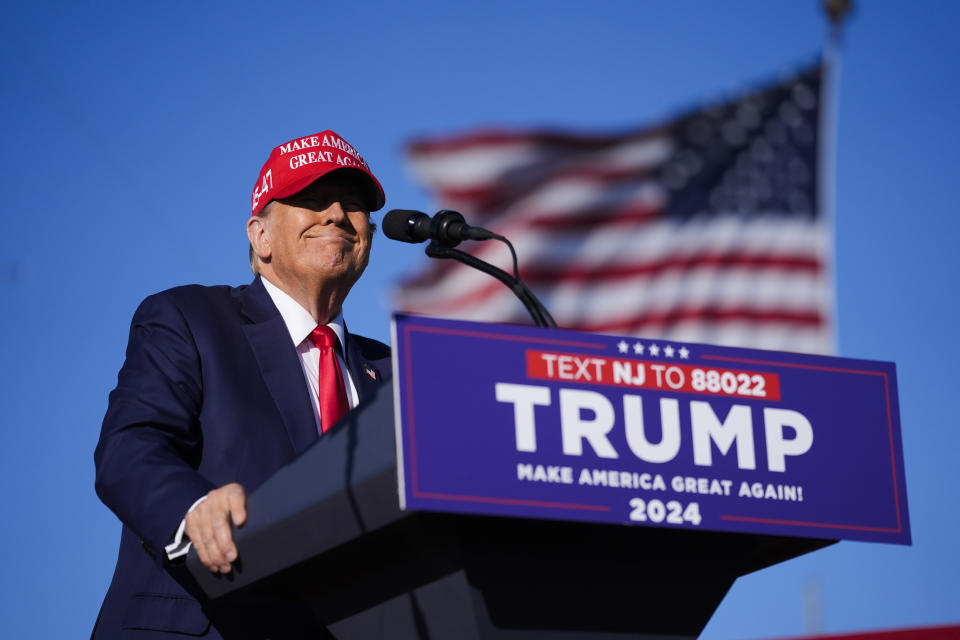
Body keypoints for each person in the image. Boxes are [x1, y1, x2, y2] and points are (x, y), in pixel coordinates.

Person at [92, 130, 391, 638]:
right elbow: (130, 446)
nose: (338, 215)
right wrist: (192, 509)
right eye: (313, 200)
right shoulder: (190, 319)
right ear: (261, 236)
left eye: (355, 205)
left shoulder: (394, 373)